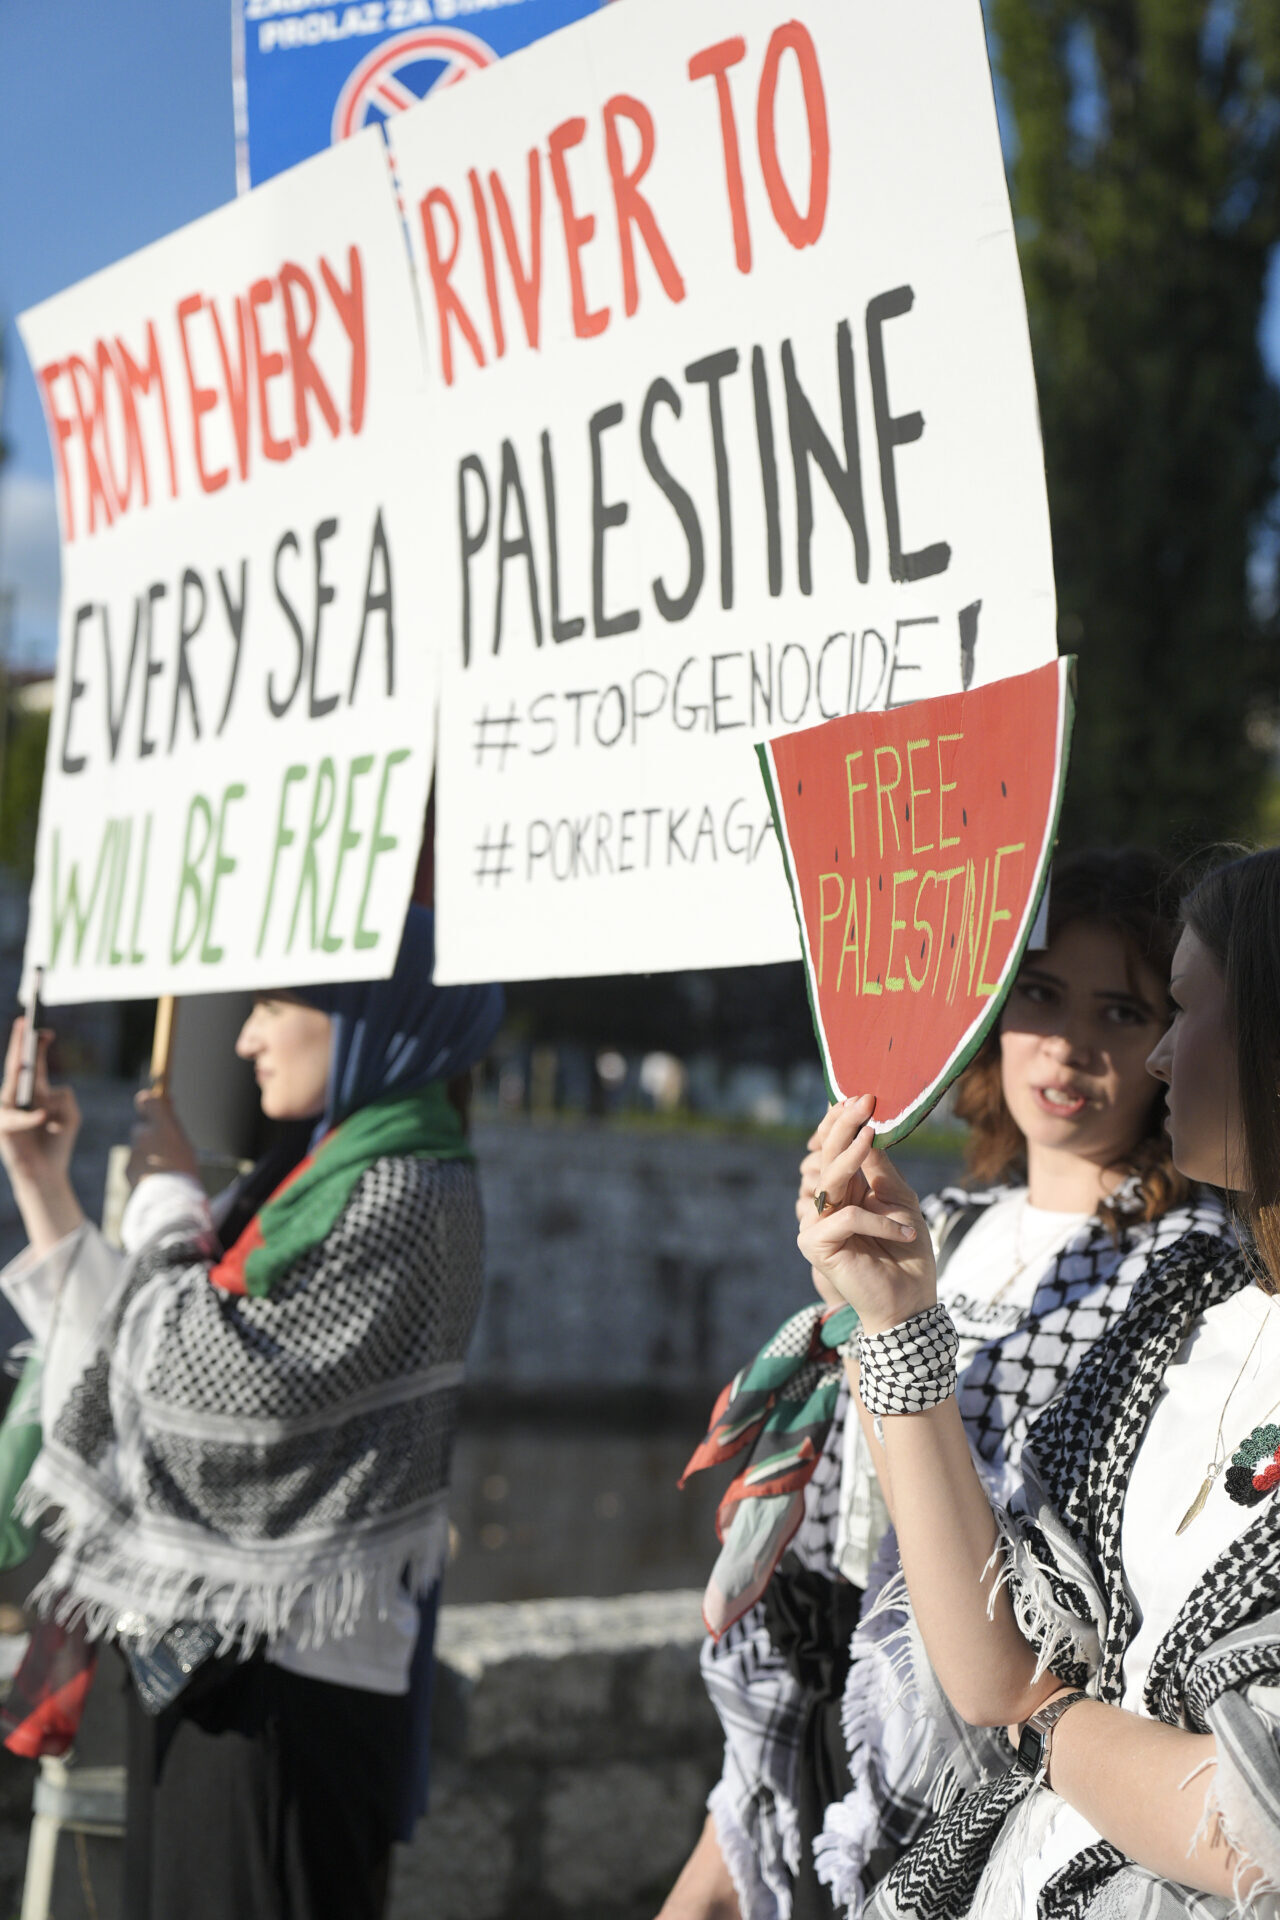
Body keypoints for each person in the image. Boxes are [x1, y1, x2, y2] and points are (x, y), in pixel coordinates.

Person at [662, 850, 1231, 1920]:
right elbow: (844, 1501)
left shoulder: (1190, 1270)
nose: (1068, 1045)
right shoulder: (943, 1225)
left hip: (999, 1748)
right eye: (1039, 995)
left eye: (1120, 1011)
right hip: (842, 1696)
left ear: (1168, 1040)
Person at [798, 844, 1280, 1917]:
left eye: (1171, 1009)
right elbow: (995, 1661)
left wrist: (1049, 1720)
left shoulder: (1163, 1262)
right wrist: (893, 1322)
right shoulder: (1188, 1308)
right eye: (1041, 997)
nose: (1156, 1057)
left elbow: (1249, 1824)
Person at [0, 906, 502, 1920]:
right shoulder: (309, 1179)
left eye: (273, 1003)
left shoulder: (410, 1189)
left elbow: (205, 1391)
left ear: (363, 1016)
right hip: (213, 1662)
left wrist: (167, 1203)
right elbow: (133, 1373)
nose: (243, 1038)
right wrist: (42, 1184)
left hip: (290, 1695)